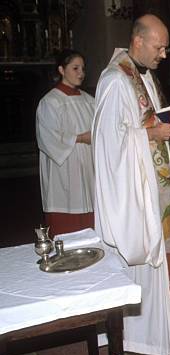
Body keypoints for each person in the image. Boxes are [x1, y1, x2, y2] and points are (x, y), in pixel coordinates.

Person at [92, 14, 170, 355]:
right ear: (138, 40)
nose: (164, 54)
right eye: (159, 46)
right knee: (142, 262)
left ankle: (164, 332)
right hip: (137, 192)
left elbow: (152, 122)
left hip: (157, 186)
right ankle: (140, 337)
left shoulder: (145, 78)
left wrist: (169, 131)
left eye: (166, 47)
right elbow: (107, 142)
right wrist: (151, 134)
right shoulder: (115, 80)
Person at [36, 49, 95, 237]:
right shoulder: (50, 102)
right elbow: (47, 137)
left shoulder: (89, 100)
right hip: (64, 168)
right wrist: (79, 138)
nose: (81, 73)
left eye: (83, 69)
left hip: (87, 164)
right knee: (68, 216)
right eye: (75, 68)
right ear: (61, 70)